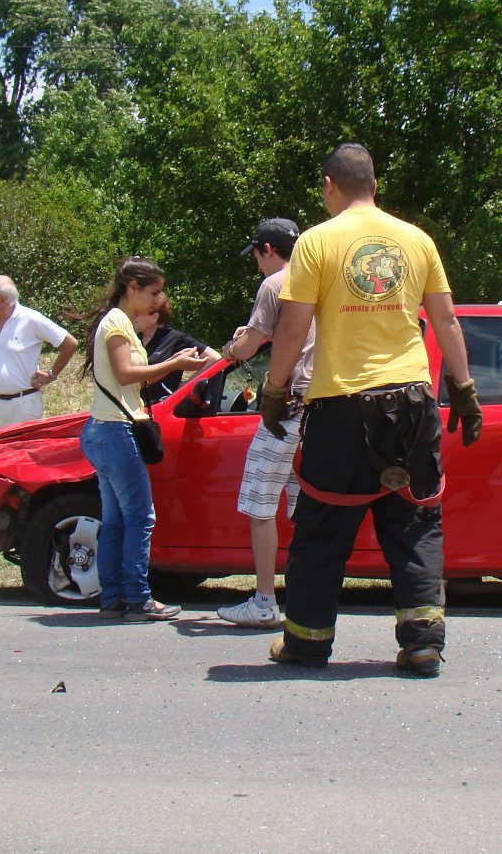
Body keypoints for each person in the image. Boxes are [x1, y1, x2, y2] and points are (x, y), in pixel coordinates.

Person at [259, 143, 483, 677]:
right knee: (415, 523)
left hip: (341, 408)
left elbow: (293, 327)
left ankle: (307, 643)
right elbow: (447, 322)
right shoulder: (416, 240)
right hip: (412, 403)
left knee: (321, 530)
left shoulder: (316, 242)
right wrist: (466, 391)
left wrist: (273, 390)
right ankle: (423, 643)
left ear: (329, 185)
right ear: (375, 185)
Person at [78, 257, 207, 621]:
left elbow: (132, 379)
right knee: (140, 517)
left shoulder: (120, 323)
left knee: (117, 520)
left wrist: (173, 362)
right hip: (116, 429)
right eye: (153, 292)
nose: (158, 299)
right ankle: (138, 599)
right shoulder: (118, 322)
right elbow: (125, 374)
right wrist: (174, 364)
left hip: (105, 429)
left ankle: (114, 597)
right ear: (131, 287)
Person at [216, 218, 316, 629]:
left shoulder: (275, 284)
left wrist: (232, 348)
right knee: (304, 510)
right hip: (323, 410)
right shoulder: (319, 279)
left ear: (268, 249)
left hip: (286, 410)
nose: (257, 264)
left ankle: (263, 600)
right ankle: (308, 597)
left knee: (260, 504)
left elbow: (246, 348)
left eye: (256, 256)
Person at [0, 275, 78, 435]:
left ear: (2, 299)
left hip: (24, 406)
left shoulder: (31, 319)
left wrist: (51, 373)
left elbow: (70, 343)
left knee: (23, 453)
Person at [134, 295, 221, 404]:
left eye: (138, 312)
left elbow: (214, 358)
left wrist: (186, 386)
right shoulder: (135, 338)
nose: (134, 316)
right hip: (135, 406)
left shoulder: (174, 338)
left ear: (154, 317)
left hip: (161, 407)